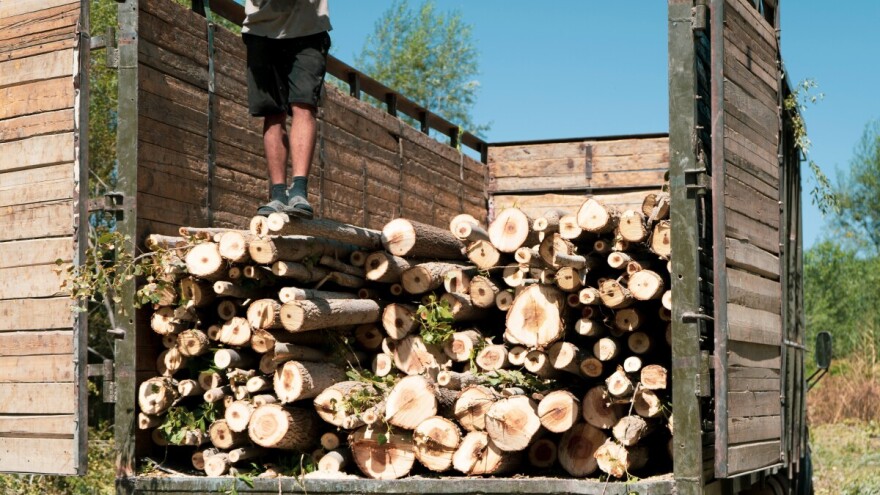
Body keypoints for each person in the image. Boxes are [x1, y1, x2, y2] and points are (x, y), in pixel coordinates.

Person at [242, 0, 332, 218]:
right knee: (272, 113)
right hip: (261, 29)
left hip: (308, 28)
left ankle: (299, 191)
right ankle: (278, 195)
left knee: (304, 105)